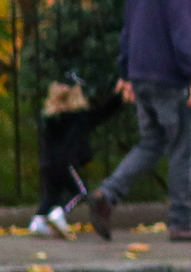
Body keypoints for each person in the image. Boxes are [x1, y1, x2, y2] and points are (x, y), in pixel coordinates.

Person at [90, 0, 191, 241]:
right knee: (183, 147)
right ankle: (181, 221)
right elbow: (183, 34)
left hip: (141, 75)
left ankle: (107, 194)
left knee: (153, 142)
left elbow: (129, 29)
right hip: (170, 79)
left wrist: (126, 74)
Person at [31, 74, 124, 238]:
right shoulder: (78, 117)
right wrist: (118, 97)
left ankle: (38, 220)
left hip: (47, 163)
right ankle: (59, 212)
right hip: (65, 163)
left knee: (51, 193)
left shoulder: (49, 118)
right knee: (79, 191)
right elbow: (102, 112)